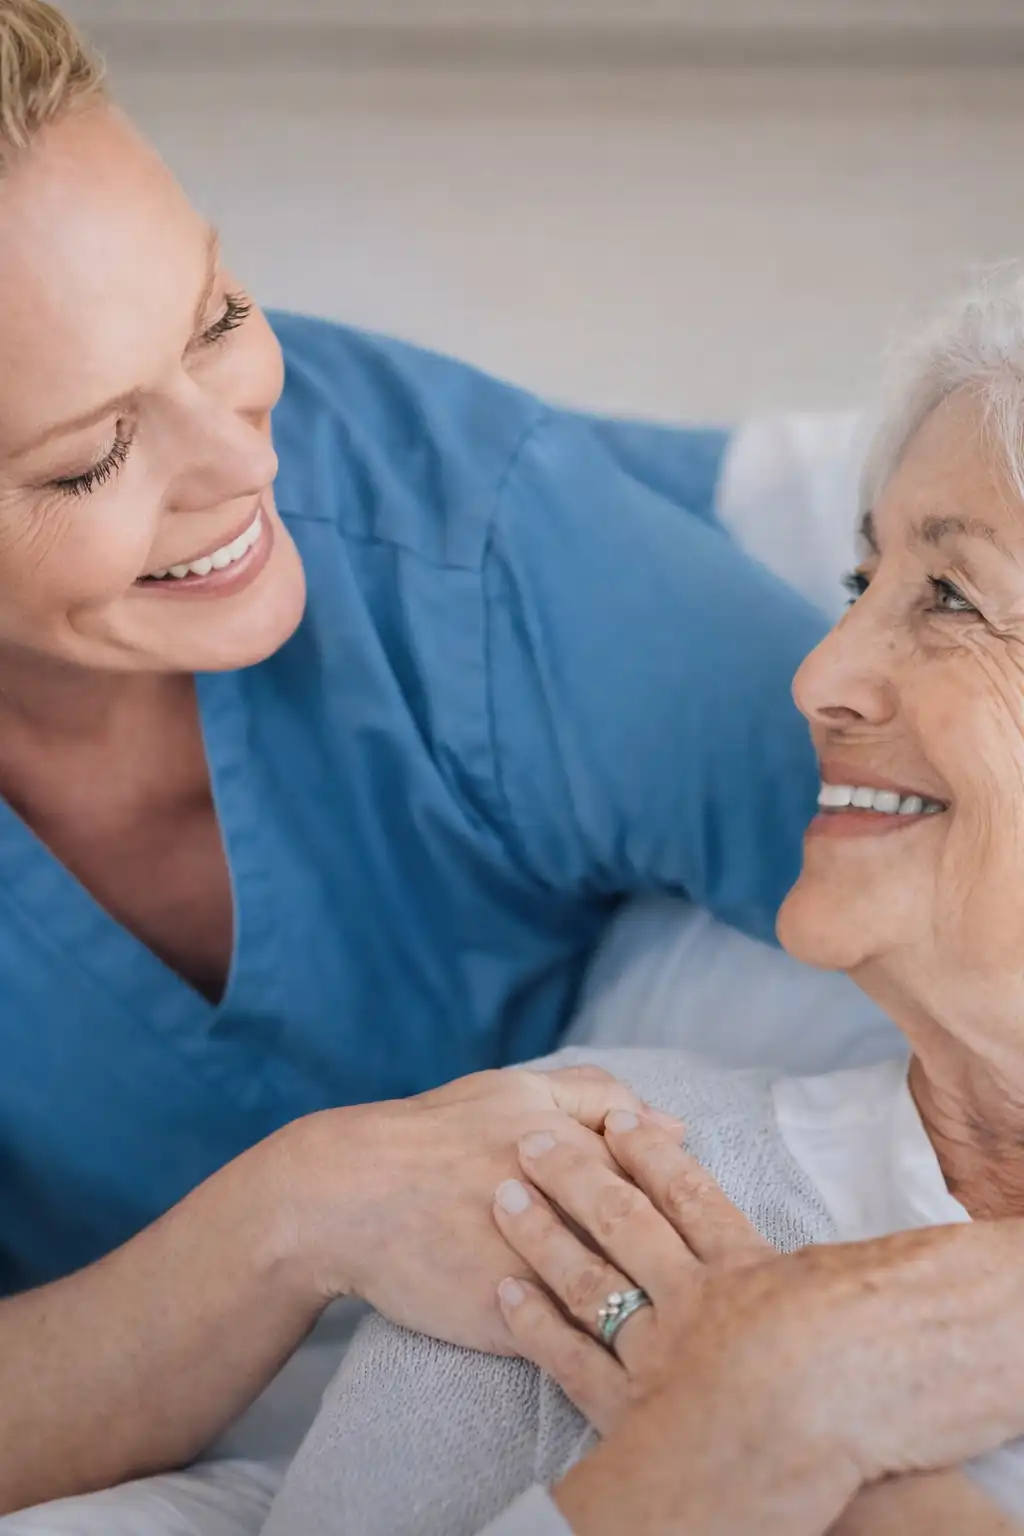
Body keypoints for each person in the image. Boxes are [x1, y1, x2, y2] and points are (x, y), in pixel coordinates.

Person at [0, 2, 849, 1527]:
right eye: (87, 457)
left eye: (215, 316)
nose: (247, 460)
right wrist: (295, 1215)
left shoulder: (469, 550)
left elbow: (981, 897)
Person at [262, 266, 1024, 1536]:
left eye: (949, 598)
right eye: (860, 585)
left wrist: (797, 1435)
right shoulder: (594, 1191)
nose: (818, 672)